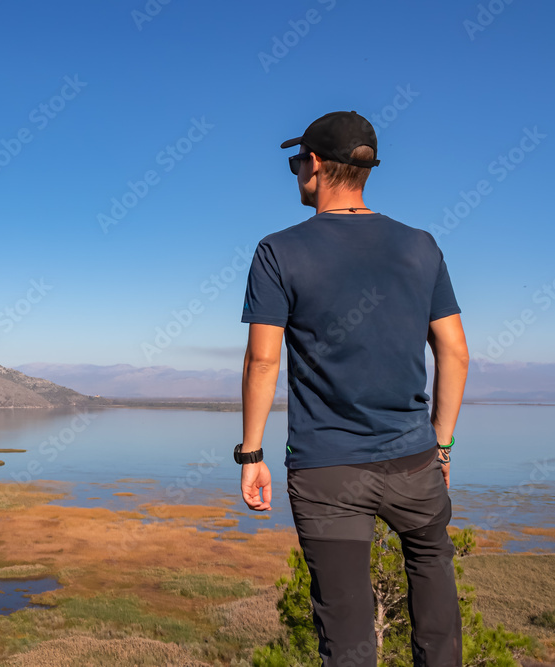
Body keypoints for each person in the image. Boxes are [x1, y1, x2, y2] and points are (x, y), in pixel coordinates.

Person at [235, 110, 469, 665]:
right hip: (415, 463)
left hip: (326, 473)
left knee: (347, 636)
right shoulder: (421, 246)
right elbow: (455, 352)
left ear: (314, 165)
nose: (295, 172)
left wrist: (251, 454)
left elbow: (262, 361)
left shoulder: (278, 251)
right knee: (435, 589)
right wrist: (443, 445)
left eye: (296, 162)